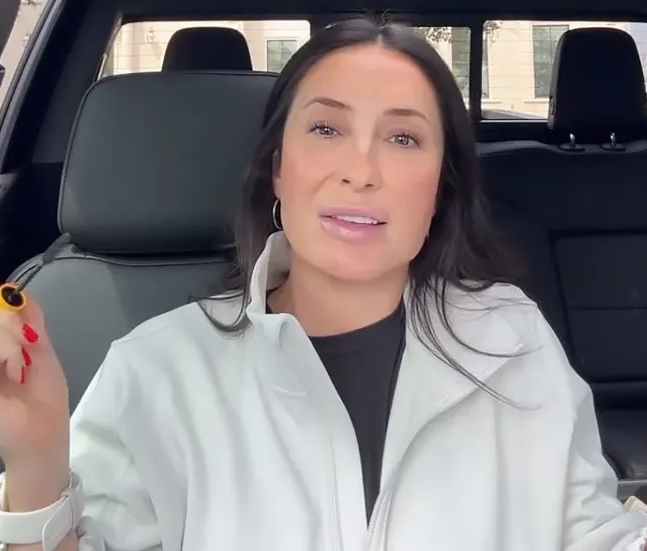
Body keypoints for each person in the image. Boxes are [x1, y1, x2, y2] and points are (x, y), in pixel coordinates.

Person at [0, 16, 645, 551]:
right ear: (279, 170)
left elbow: (592, 534)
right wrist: (34, 462)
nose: (361, 171)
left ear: (438, 190)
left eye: (402, 137)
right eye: (327, 128)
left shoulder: (513, 342)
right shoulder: (157, 372)